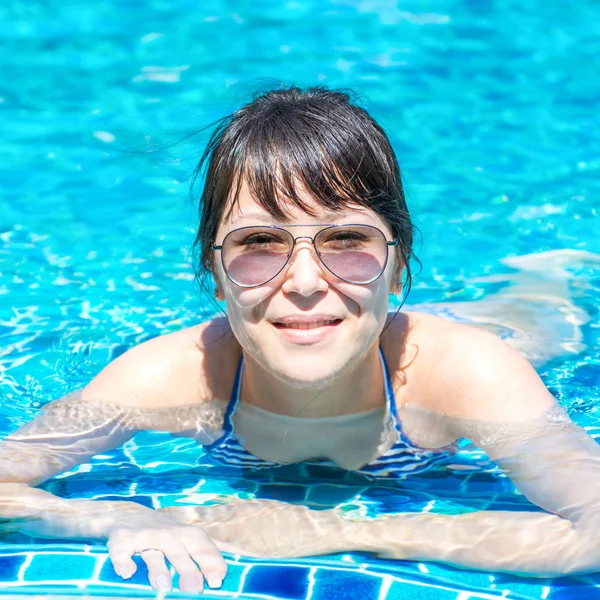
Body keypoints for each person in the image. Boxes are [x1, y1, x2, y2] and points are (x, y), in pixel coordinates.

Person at [2, 86, 600, 595]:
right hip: (366, 322)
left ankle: (547, 271)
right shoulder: (167, 378)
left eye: (346, 239)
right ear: (214, 275)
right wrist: (114, 516)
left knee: (536, 323)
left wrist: (339, 531)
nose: (308, 283)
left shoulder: (468, 373)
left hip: (446, 343)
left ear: (398, 264)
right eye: (260, 243)